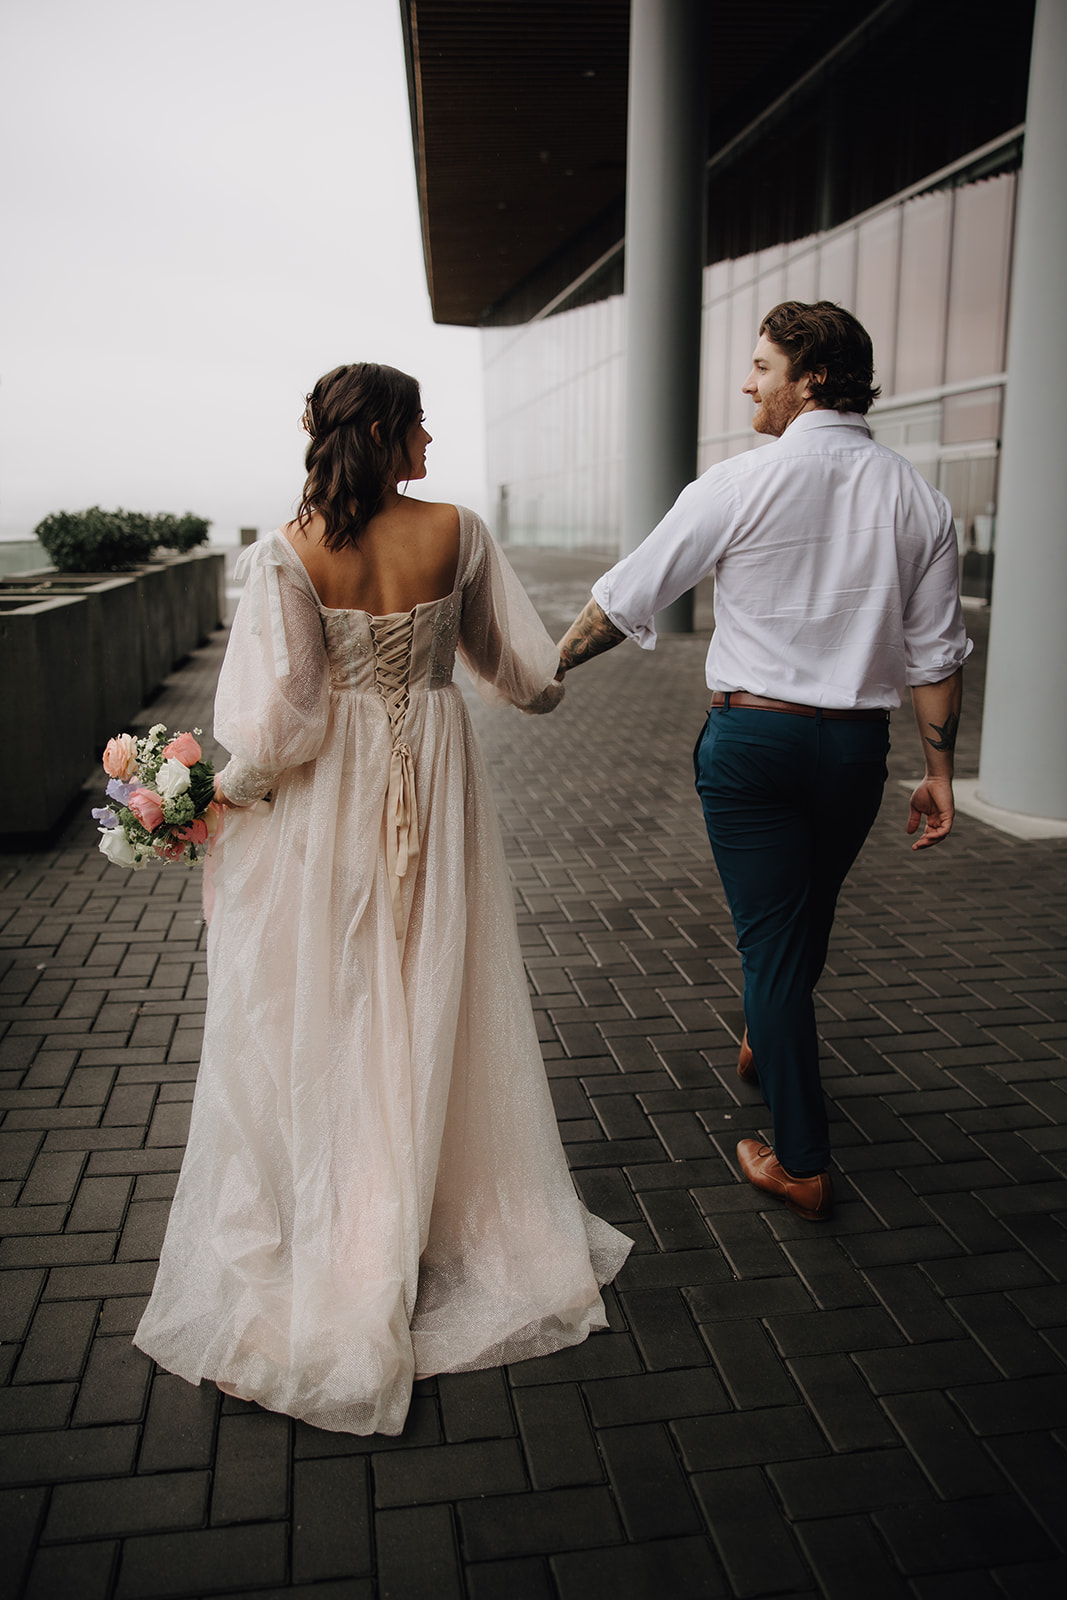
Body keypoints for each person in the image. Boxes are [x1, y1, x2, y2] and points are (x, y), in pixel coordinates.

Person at [134, 363, 631, 1435]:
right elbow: (530, 680)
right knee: (429, 981)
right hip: (438, 788)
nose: (432, 442)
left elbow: (284, 729)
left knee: (333, 999)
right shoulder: (459, 530)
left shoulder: (287, 551)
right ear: (391, 432)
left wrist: (202, 801)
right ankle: (409, 1219)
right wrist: (596, 632)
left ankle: (345, 1219)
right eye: (420, 424)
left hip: (325, 810)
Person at [556, 301, 971, 1222]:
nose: (747, 381)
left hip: (753, 744)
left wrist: (544, 669)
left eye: (760, 365)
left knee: (773, 944)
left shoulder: (736, 485)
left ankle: (802, 1160)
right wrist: (937, 775)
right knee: (803, 912)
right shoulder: (920, 500)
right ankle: (763, 1034)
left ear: (811, 377)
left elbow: (625, 598)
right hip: (855, 750)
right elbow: (935, 655)